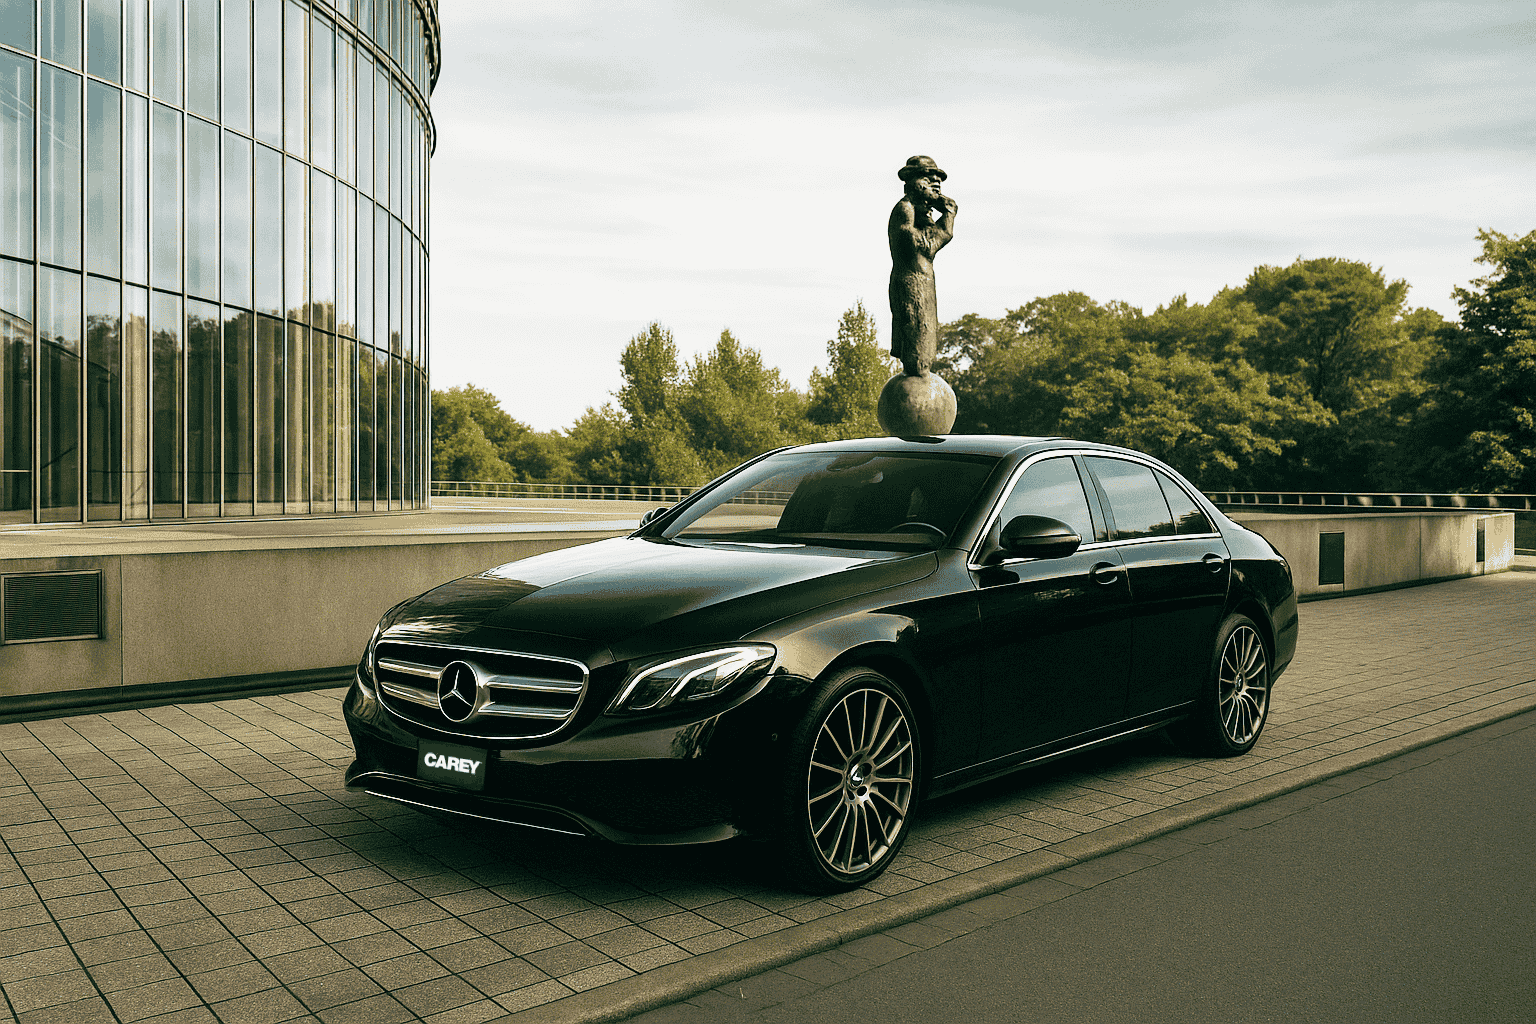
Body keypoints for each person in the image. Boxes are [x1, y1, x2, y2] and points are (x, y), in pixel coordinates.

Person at [888, 155, 958, 376]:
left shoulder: (917, 213)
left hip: (923, 284)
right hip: (912, 286)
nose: (936, 184)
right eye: (928, 179)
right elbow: (925, 246)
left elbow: (937, 237)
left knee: (925, 350)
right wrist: (948, 213)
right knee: (918, 358)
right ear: (912, 182)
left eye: (938, 180)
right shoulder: (905, 210)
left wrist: (946, 213)